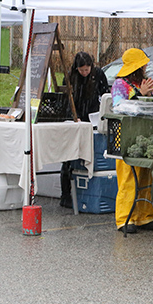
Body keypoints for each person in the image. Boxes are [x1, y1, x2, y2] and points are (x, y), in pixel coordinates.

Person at [111, 48, 153, 233]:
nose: (146, 66)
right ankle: (125, 219)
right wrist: (140, 93)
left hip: (145, 137)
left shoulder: (146, 83)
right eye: (143, 64)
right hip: (125, 137)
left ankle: (144, 216)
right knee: (128, 179)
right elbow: (120, 107)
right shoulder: (120, 85)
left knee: (146, 177)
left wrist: (149, 94)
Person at [59, 52, 109, 209]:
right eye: (82, 70)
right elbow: (66, 99)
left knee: (90, 154)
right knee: (68, 157)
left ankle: (86, 191)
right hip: (76, 117)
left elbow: (105, 94)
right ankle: (65, 194)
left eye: (87, 69)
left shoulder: (98, 74)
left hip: (92, 116)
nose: (85, 73)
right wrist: (73, 116)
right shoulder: (71, 76)